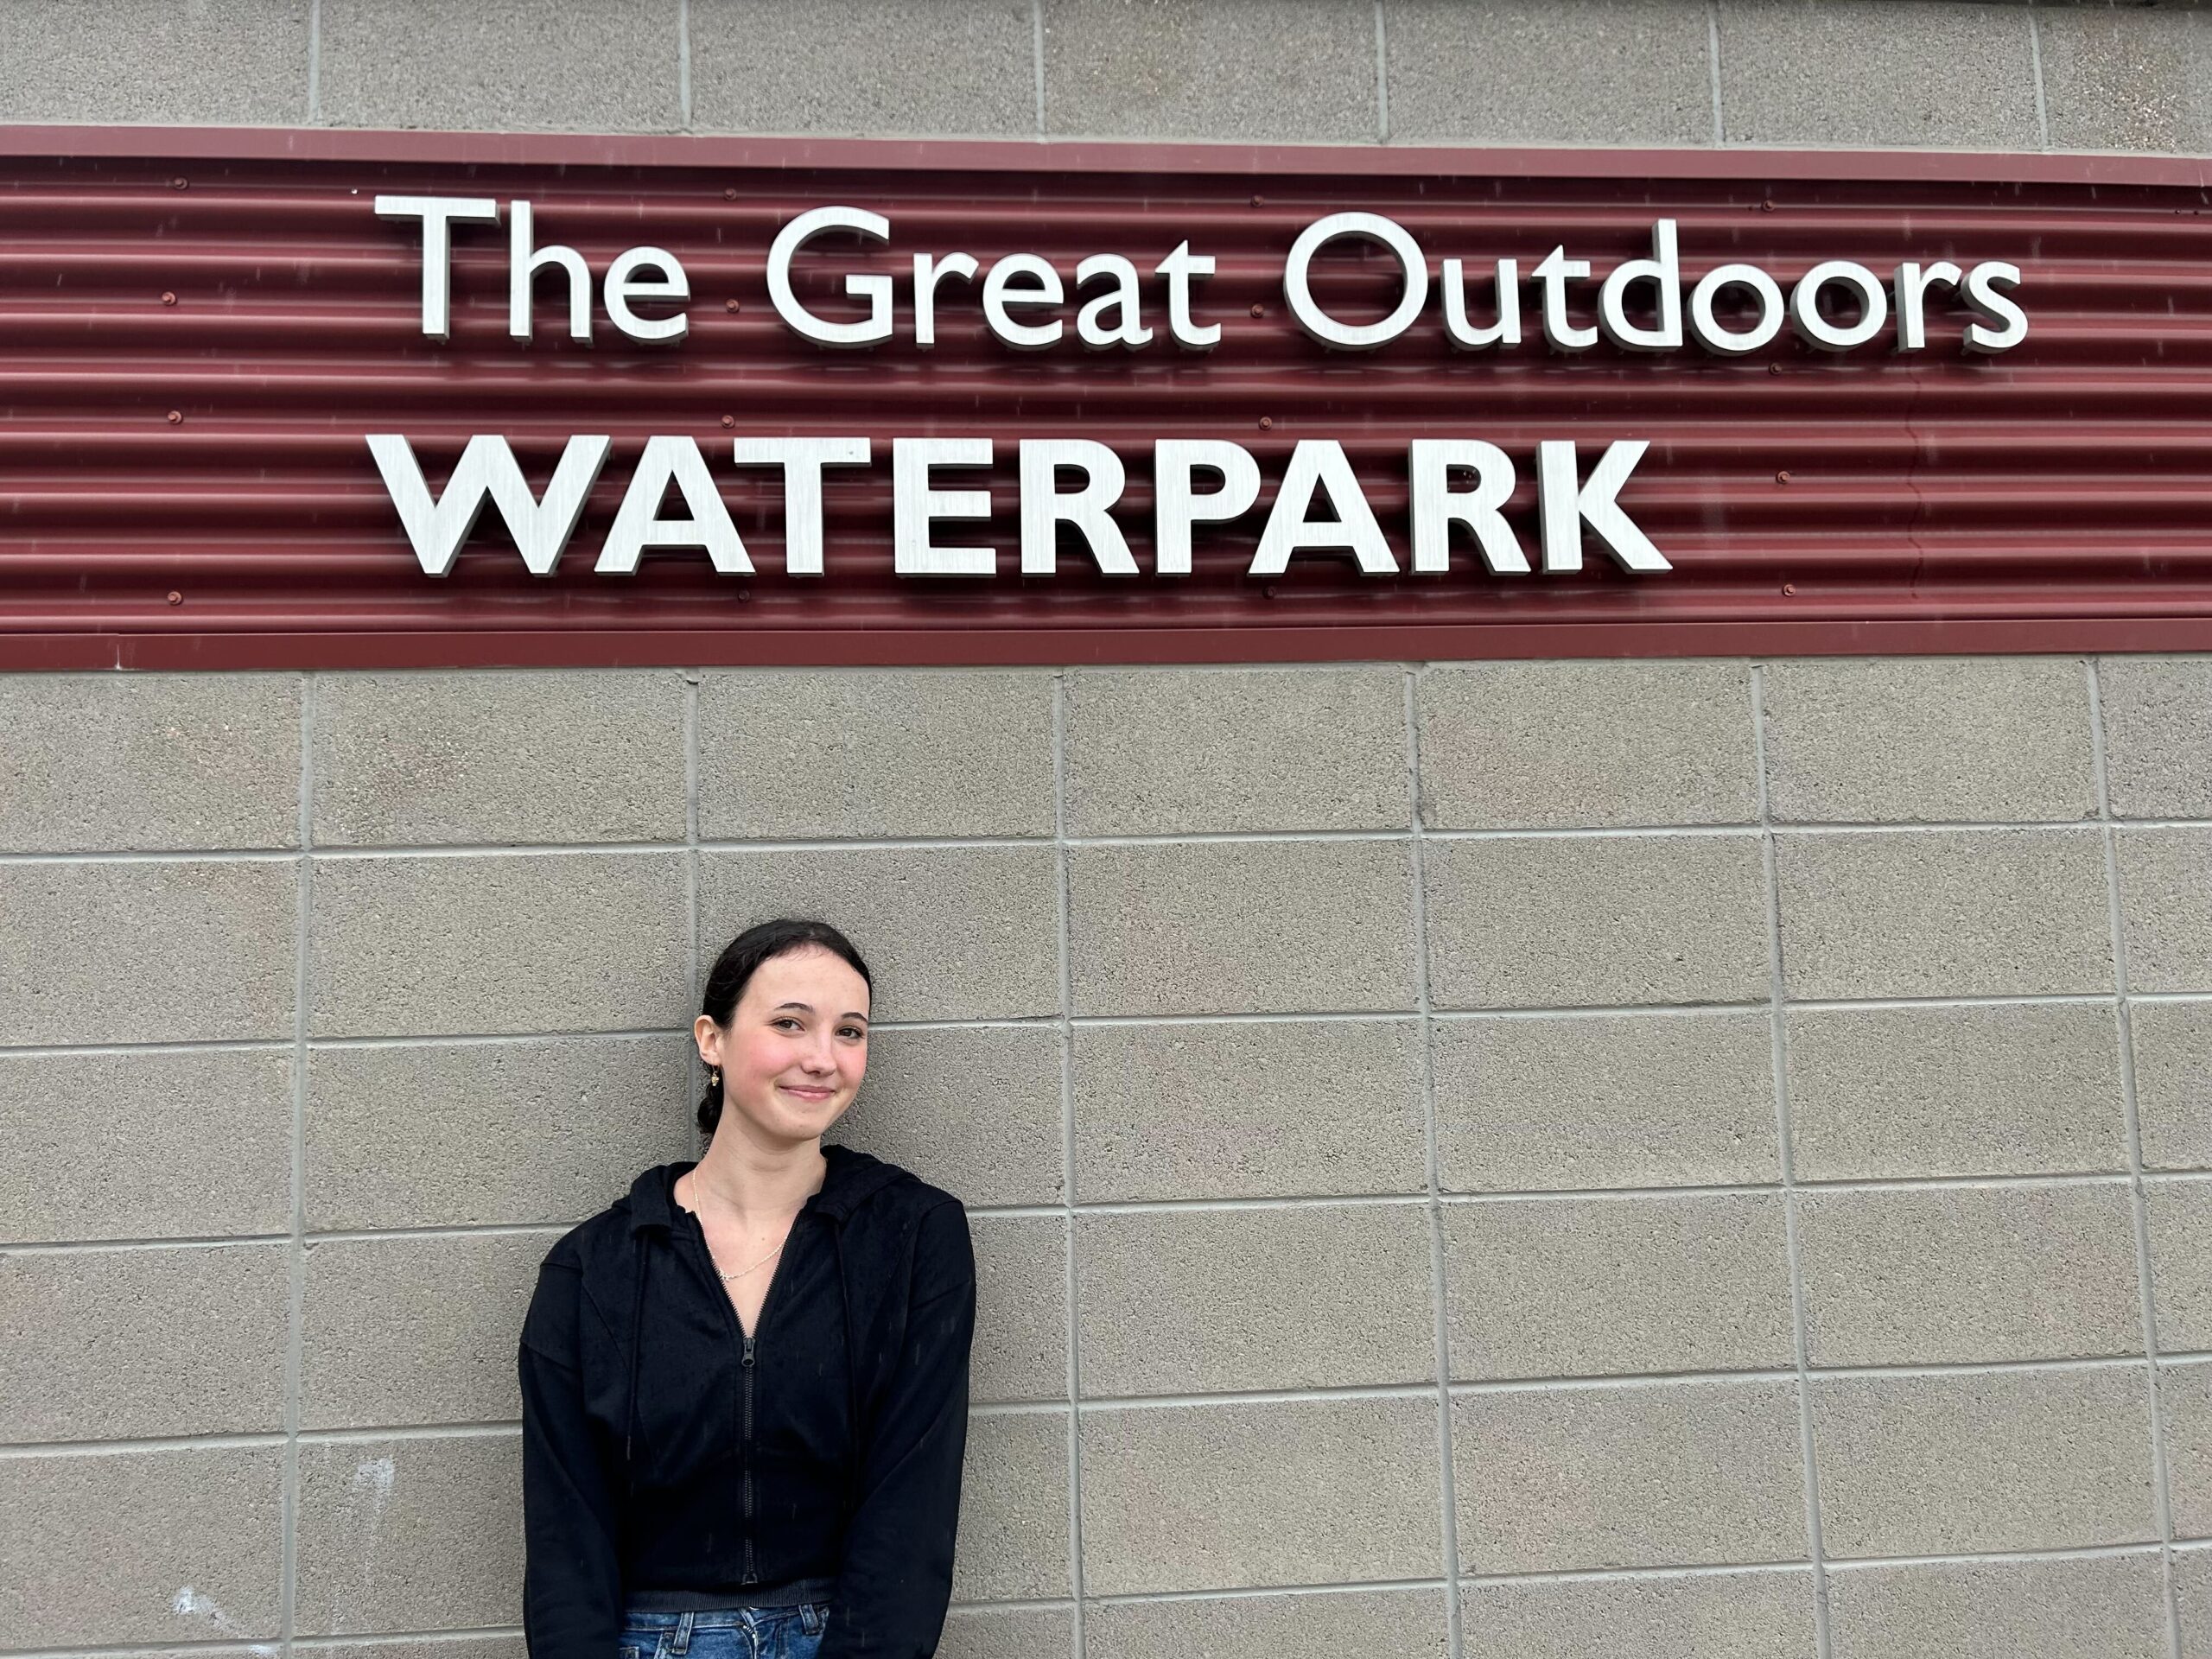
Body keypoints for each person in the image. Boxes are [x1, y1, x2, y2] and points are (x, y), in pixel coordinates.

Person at [518, 918, 977, 1659]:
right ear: (712, 1039)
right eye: (790, 1024)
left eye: (850, 1032)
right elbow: (566, 1537)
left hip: (842, 1635)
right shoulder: (592, 1270)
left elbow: (912, 1508)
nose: (823, 1059)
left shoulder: (914, 1237)